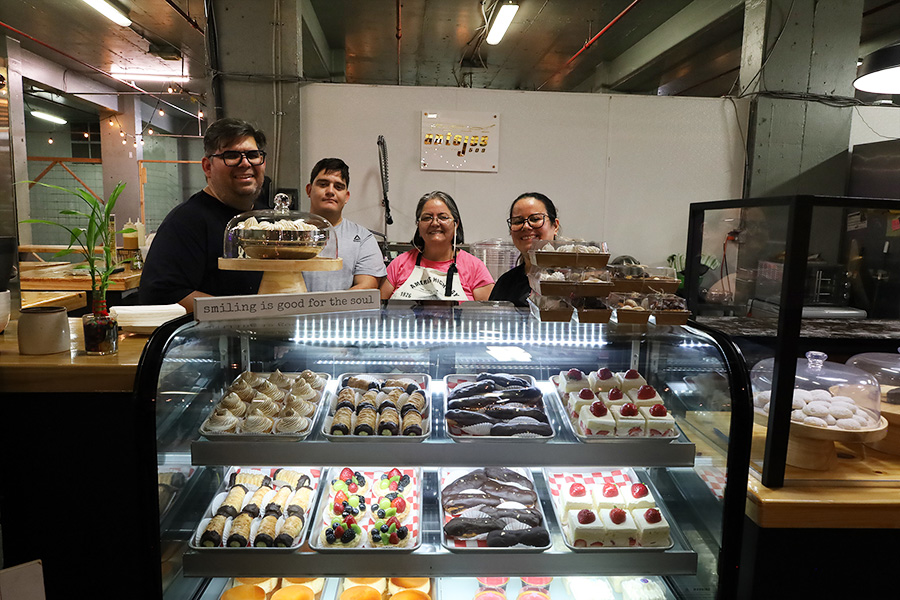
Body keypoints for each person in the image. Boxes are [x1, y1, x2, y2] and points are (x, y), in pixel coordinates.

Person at [140, 118, 267, 311]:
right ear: (207, 167)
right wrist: (244, 313)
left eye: (253, 155)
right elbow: (160, 293)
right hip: (210, 339)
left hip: (261, 337)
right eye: (232, 155)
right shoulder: (186, 222)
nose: (245, 163)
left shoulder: (264, 218)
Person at [381, 191, 494, 301]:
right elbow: (379, 310)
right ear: (418, 225)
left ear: (456, 224)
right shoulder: (399, 264)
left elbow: (487, 315)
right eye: (427, 218)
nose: (435, 223)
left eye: (443, 217)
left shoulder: (475, 267)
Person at [301, 158, 386, 291]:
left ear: (346, 196)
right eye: (323, 184)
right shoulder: (288, 233)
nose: (330, 191)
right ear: (309, 190)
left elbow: (367, 285)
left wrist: (330, 307)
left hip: (341, 311)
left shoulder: (363, 238)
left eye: (338, 187)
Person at [489, 192, 560, 307]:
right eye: (518, 221)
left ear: (555, 226)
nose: (526, 226)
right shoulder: (506, 283)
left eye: (535, 219)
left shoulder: (572, 278)